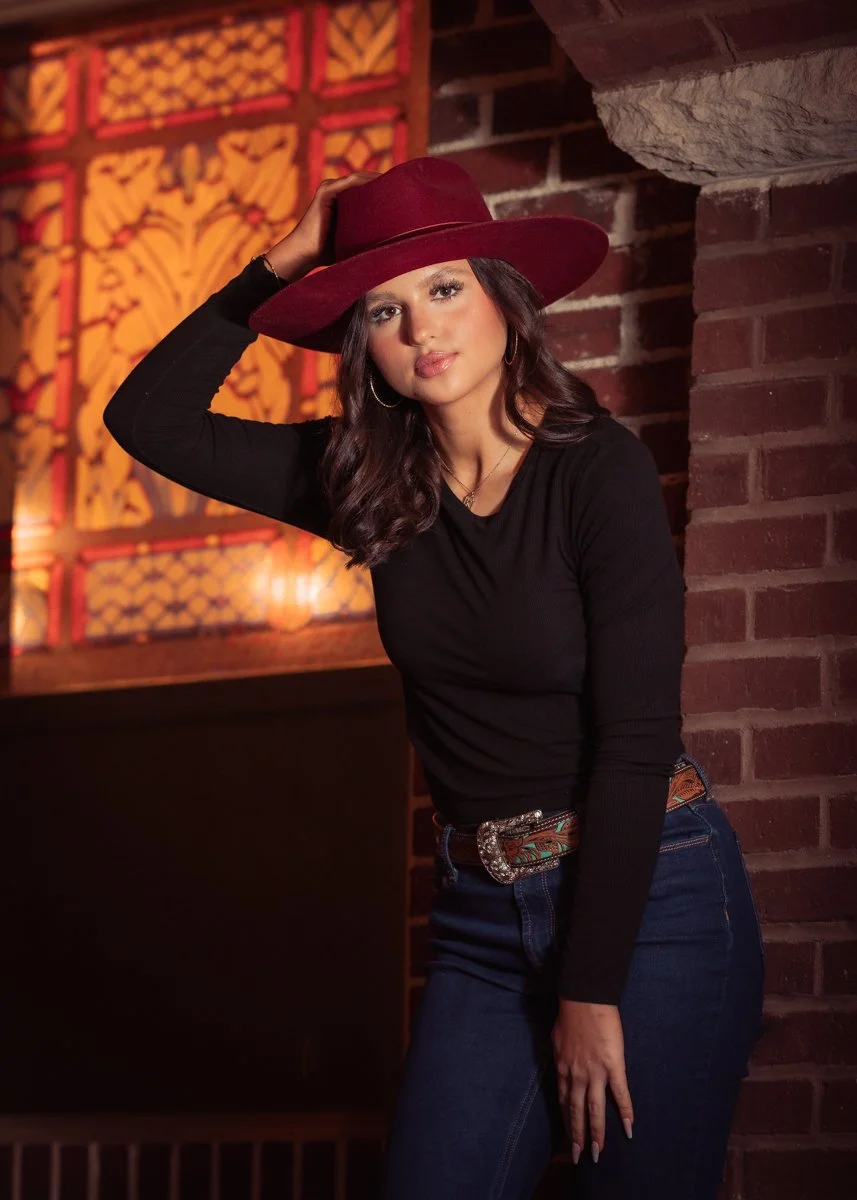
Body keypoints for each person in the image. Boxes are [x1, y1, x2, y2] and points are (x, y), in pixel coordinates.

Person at [103, 156, 766, 1199]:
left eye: (444, 288)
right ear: (362, 343)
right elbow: (150, 421)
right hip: (480, 916)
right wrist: (275, 265)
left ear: (503, 295)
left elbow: (635, 743)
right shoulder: (365, 482)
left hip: (651, 901)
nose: (420, 330)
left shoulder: (598, 470)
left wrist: (590, 991)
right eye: (383, 309)